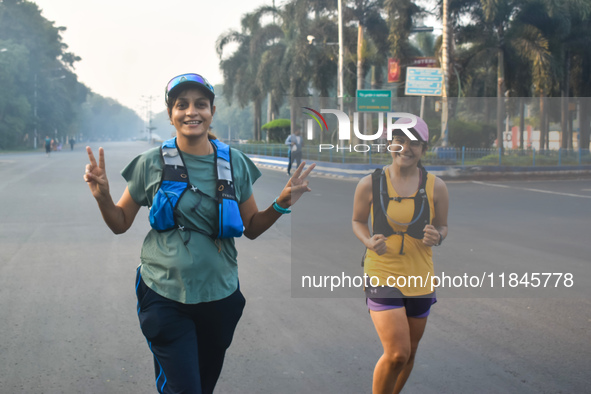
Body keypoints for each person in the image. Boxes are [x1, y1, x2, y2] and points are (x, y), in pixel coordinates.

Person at [84, 73, 315, 394]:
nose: (191, 112)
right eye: (182, 105)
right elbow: (120, 222)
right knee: (185, 389)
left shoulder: (234, 163)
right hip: (165, 295)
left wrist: (280, 204)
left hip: (219, 297)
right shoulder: (150, 163)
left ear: (212, 111)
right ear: (170, 114)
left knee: (202, 387)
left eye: (200, 105)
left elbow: (251, 228)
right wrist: (103, 198)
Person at [352, 116, 449, 394]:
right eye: (400, 140)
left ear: (423, 149)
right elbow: (357, 221)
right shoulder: (370, 183)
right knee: (397, 353)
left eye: (414, 143)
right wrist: (368, 240)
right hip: (382, 273)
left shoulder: (437, 186)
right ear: (389, 144)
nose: (406, 148)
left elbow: (443, 225)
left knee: (410, 352)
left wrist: (439, 235)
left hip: (420, 276)